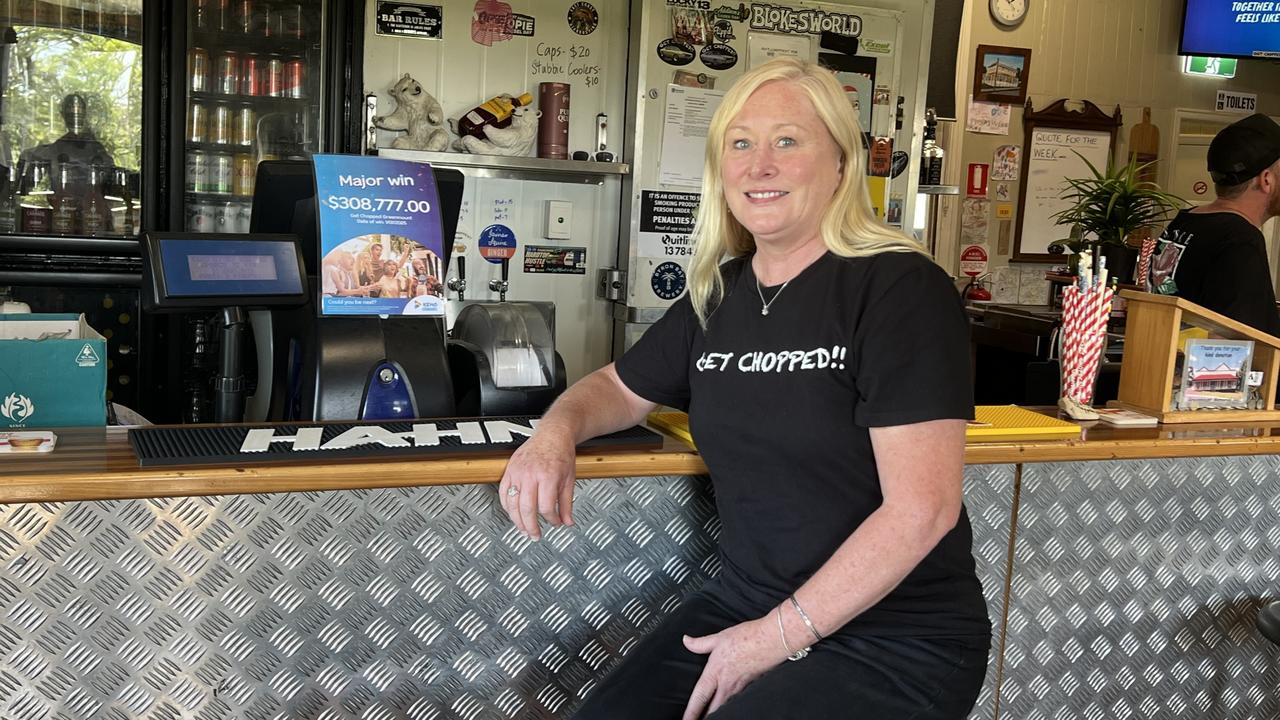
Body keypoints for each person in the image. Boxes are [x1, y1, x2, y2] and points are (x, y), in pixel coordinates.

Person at [498, 58, 990, 720]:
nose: (760, 165)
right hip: (746, 603)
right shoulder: (718, 295)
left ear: (841, 164)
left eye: (787, 140)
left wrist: (773, 640)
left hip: (899, 638)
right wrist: (554, 432)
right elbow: (616, 387)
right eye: (740, 143)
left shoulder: (900, 290)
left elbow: (922, 510)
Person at [1148, 113, 1280, 335]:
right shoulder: (1240, 240)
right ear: (1266, 179)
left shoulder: (1184, 222)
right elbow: (1237, 343)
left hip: (1163, 362)